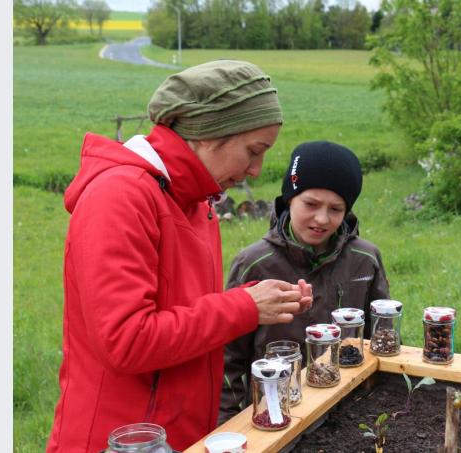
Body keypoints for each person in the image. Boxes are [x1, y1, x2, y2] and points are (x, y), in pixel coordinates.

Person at [47, 60, 314, 452]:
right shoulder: (121, 196)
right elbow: (127, 340)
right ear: (209, 133)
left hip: (174, 436)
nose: (256, 170)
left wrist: (260, 298)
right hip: (124, 440)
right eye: (253, 151)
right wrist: (243, 307)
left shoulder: (193, 201)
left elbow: (185, 314)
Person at [219, 141, 390, 422]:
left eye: (335, 209)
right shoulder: (254, 263)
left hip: (348, 408)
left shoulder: (365, 258)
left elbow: (381, 336)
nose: (321, 219)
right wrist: (226, 424)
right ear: (289, 199)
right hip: (278, 412)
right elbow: (229, 357)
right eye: (310, 204)